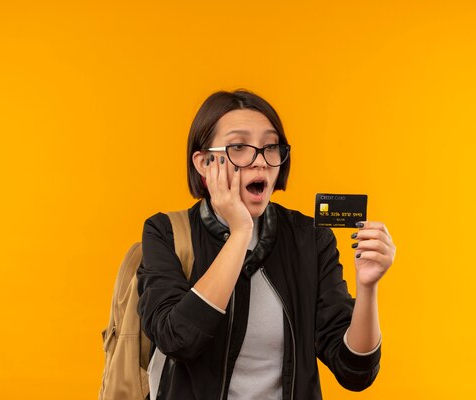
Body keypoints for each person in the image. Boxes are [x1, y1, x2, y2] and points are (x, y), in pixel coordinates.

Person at [136, 89, 396, 400]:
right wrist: (241, 231)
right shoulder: (165, 233)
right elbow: (179, 340)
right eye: (239, 147)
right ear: (205, 163)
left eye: (270, 147)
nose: (260, 161)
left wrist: (368, 287)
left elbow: (354, 372)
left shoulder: (310, 240)